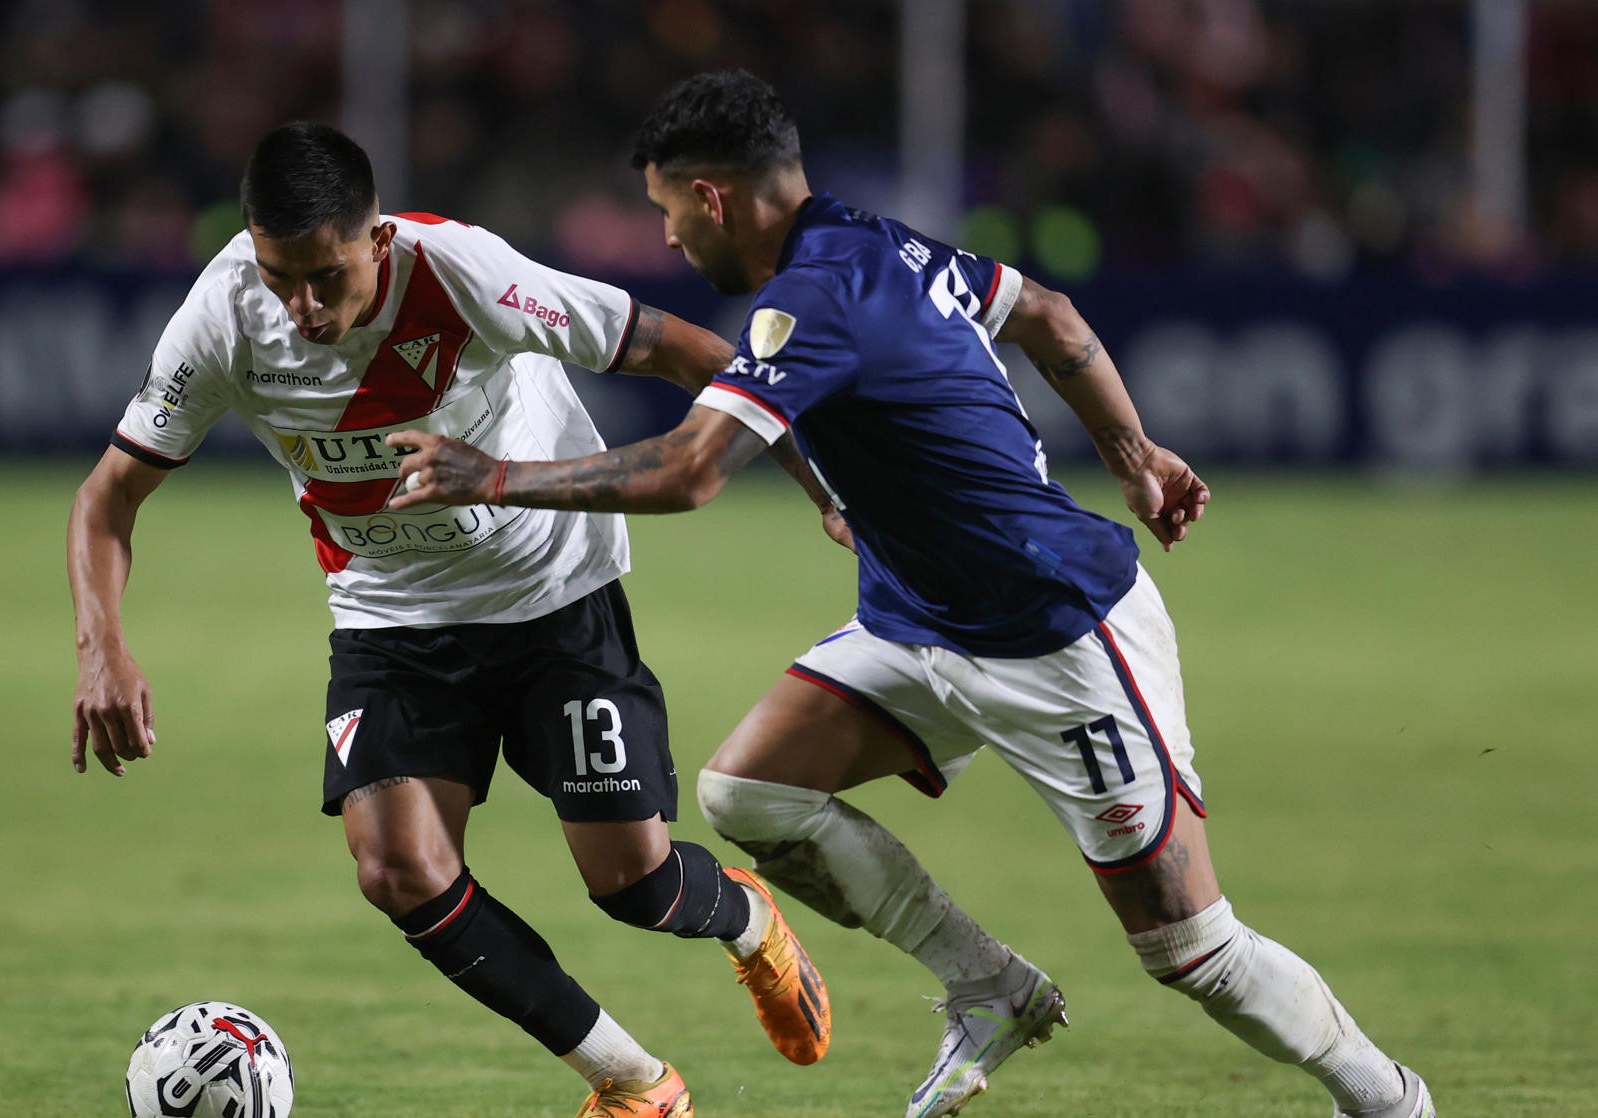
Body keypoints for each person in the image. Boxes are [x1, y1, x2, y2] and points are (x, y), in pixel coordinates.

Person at [387, 71, 1436, 1118]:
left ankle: (1389, 1098)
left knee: (1191, 949)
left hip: (1056, 632)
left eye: (665, 210)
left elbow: (691, 470)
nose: (665, 238)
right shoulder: (882, 244)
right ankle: (987, 984)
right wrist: (1132, 450)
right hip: (918, 619)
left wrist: (498, 476)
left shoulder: (814, 297)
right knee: (751, 793)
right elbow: (1049, 315)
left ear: (710, 198)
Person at [65, 121, 835, 1118]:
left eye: (325, 277)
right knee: (396, 866)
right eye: (276, 275)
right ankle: (635, 1083)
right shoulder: (221, 313)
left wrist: (822, 482)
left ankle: (745, 917)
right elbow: (108, 495)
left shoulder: (463, 271)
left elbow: (686, 351)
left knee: (631, 882)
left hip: (552, 594)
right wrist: (103, 651)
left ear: (376, 240)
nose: (300, 307)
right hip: (391, 618)